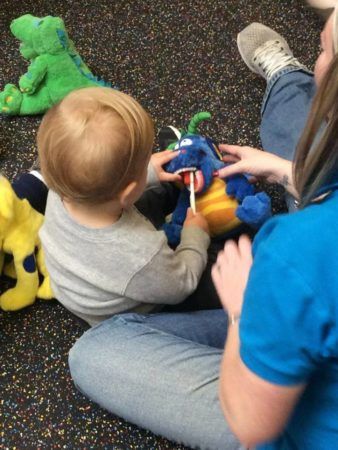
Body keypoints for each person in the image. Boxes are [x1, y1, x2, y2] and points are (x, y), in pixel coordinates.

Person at [68, 4, 338, 450]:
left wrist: (240, 311)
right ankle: (286, 81)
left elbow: (252, 425)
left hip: (287, 419)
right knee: (303, 139)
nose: (320, 59)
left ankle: (288, 82)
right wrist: (287, 171)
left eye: (324, 51)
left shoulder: (295, 257)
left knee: (97, 350)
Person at [38, 87, 211, 326]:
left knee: (155, 188)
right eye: (144, 163)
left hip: (79, 282)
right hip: (128, 313)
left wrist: (146, 171)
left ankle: (174, 169)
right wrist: (195, 236)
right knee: (211, 269)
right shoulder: (142, 252)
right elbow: (182, 284)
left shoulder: (60, 189)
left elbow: (123, 197)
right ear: (128, 192)